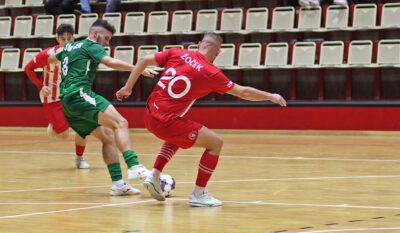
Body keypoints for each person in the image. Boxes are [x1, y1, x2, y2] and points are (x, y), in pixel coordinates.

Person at [116, 33, 287, 207]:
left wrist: (128, 87)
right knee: (216, 143)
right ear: (218, 52)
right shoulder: (211, 72)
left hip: (148, 114)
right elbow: (243, 92)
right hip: (165, 122)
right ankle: (199, 193)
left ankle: (154, 176)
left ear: (199, 44)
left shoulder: (178, 52)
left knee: (178, 132)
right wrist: (270, 96)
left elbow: (144, 59)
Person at [50, 20, 157, 195]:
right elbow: (111, 62)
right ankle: (134, 166)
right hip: (79, 94)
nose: (107, 42)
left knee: (107, 136)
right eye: (106, 38)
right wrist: (137, 69)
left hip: (67, 103)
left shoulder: (70, 47)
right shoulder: (92, 45)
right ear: (95, 34)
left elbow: (50, 58)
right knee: (121, 123)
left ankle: (118, 184)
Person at [24, 24, 90, 169]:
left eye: (69, 38)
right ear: (57, 39)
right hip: (52, 98)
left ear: (74, 38)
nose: (66, 42)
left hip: (71, 96)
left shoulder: (79, 53)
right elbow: (28, 68)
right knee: (64, 135)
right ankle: (54, 127)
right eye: (63, 39)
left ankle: (79, 159)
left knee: (82, 127)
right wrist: (41, 86)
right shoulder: (47, 54)